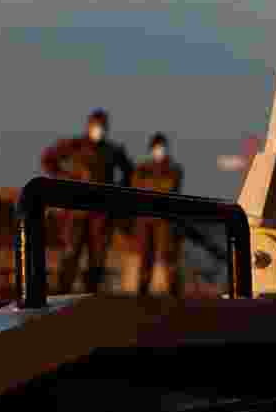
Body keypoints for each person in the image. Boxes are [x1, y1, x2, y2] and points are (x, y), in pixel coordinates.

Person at [41, 109, 133, 294]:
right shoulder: (75, 145)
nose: (99, 129)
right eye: (96, 125)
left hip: (100, 212)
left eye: (102, 126)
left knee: (97, 258)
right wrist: (64, 178)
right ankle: (61, 294)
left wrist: (116, 191)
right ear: (89, 126)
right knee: (71, 253)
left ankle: (91, 295)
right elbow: (48, 158)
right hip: (77, 211)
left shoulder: (112, 151)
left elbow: (129, 172)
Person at [128, 132, 184, 296]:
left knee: (168, 260)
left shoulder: (174, 169)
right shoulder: (142, 168)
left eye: (161, 147)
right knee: (145, 259)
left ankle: (174, 296)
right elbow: (136, 187)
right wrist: (154, 187)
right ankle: (142, 294)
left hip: (165, 221)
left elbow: (170, 187)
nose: (160, 150)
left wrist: (149, 186)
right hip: (145, 220)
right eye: (157, 147)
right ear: (151, 149)